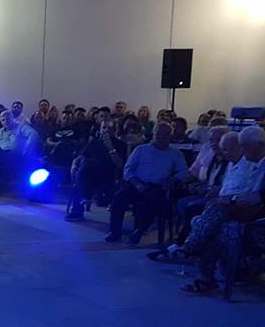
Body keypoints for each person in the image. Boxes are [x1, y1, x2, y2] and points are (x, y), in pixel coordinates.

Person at [176, 126, 265, 293]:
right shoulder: (253, 164)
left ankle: (191, 249)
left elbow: (259, 196)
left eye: (244, 146)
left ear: (259, 145)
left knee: (215, 211)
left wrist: (232, 199)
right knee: (213, 222)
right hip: (242, 210)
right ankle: (204, 275)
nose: (242, 150)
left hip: (256, 216)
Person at [147, 129, 237, 262]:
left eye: (218, 140)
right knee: (174, 195)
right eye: (211, 140)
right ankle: (179, 244)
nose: (214, 144)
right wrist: (196, 186)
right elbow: (198, 175)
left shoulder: (232, 162)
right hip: (209, 194)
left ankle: (183, 247)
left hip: (222, 200)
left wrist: (211, 190)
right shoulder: (213, 158)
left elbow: (229, 187)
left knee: (192, 208)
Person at [106, 122, 189, 244]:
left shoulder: (175, 154)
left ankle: (139, 230)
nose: (162, 137)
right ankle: (115, 232)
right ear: (153, 134)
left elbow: (183, 172)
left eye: (166, 135)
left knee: (152, 201)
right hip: (136, 184)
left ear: (170, 136)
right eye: (159, 134)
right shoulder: (141, 149)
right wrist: (137, 184)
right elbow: (128, 169)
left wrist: (174, 179)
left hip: (158, 187)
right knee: (118, 198)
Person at [65, 118, 127, 221]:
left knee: (86, 167)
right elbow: (82, 156)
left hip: (109, 175)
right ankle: (79, 207)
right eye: (104, 128)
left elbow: (120, 165)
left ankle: (84, 198)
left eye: (110, 128)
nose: (106, 130)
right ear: (100, 130)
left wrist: (110, 148)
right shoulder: (93, 142)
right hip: (89, 174)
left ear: (114, 130)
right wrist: (74, 164)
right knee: (84, 166)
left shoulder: (120, 145)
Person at [0, 110, 40, 196]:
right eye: (3, 120)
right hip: (2, 155)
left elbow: (34, 134)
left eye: (8, 119)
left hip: (16, 154)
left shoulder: (21, 127)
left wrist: (27, 149)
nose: (6, 122)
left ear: (13, 118)